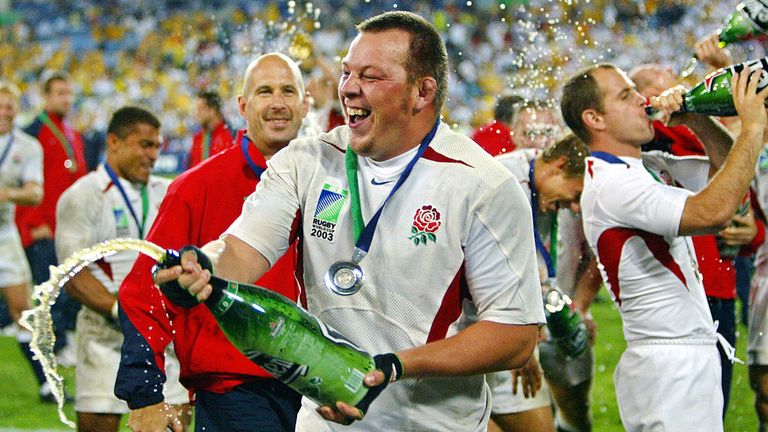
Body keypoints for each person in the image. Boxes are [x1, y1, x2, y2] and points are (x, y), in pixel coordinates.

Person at [155, 11, 543, 432]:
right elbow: (242, 248)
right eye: (346, 73)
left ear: (422, 91)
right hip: (323, 420)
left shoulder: (482, 185)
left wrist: (393, 367)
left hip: (432, 423)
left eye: (371, 76)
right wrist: (202, 265)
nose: (349, 88)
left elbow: (515, 334)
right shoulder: (305, 161)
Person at [561, 63, 768, 431]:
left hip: (680, 357)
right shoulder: (613, 185)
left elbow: (734, 186)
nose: (644, 99)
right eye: (626, 95)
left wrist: (698, 120)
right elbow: (715, 212)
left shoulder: (645, 166)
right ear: (594, 118)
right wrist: (753, 127)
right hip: (668, 365)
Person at [116, 52, 307, 432]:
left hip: (317, 389)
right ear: (242, 105)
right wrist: (147, 394)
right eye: (264, 91)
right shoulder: (196, 187)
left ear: (305, 104)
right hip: (235, 392)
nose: (278, 103)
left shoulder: (328, 183)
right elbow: (144, 289)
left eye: (288, 91)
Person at [629, 62, 764, 417]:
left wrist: (752, 234)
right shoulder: (640, 144)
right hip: (669, 291)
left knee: (712, 404)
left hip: (716, 282)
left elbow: (738, 192)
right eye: (654, 86)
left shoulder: (686, 130)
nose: (669, 88)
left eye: (671, 81)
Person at [55, 106, 191, 432]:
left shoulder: (167, 193)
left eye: (157, 146)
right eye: (144, 145)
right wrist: (125, 311)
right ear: (114, 142)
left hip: (164, 339)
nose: (153, 155)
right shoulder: (83, 195)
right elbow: (73, 273)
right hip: (105, 338)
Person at [489, 134, 592, 432]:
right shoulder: (504, 183)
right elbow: (495, 273)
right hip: (487, 332)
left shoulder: (535, 170)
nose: (574, 207)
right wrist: (521, 345)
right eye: (575, 195)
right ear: (559, 167)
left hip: (509, 332)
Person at [18, 69, 87, 356]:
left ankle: (65, 339)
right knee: (51, 289)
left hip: (70, 225)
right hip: (45, 227)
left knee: (72, 285)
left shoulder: (73, 133)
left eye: (69, 93)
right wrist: (33, 223)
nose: (66, 99)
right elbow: (23, 181)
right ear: (46, 97)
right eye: (60, 93)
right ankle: (54, 345)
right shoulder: (33, 133)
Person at [0, 80, 50, 401]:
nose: (4, 112)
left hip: (4, 234)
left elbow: (35, 192)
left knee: (23, 310)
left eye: (9, 106)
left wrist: (7, 194)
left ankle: (46, 383)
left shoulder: (28, 146)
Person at [473, 96, 560, 156]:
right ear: (513, 134)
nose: (539, 141)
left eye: (548, 132)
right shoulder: (500, 172)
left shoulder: (571, 172)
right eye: (530, 133)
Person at [186, 90, 234, 169]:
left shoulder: (230, 136)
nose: (197, 113)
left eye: (200, 109)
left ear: (212, 110)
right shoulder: (198, 138)